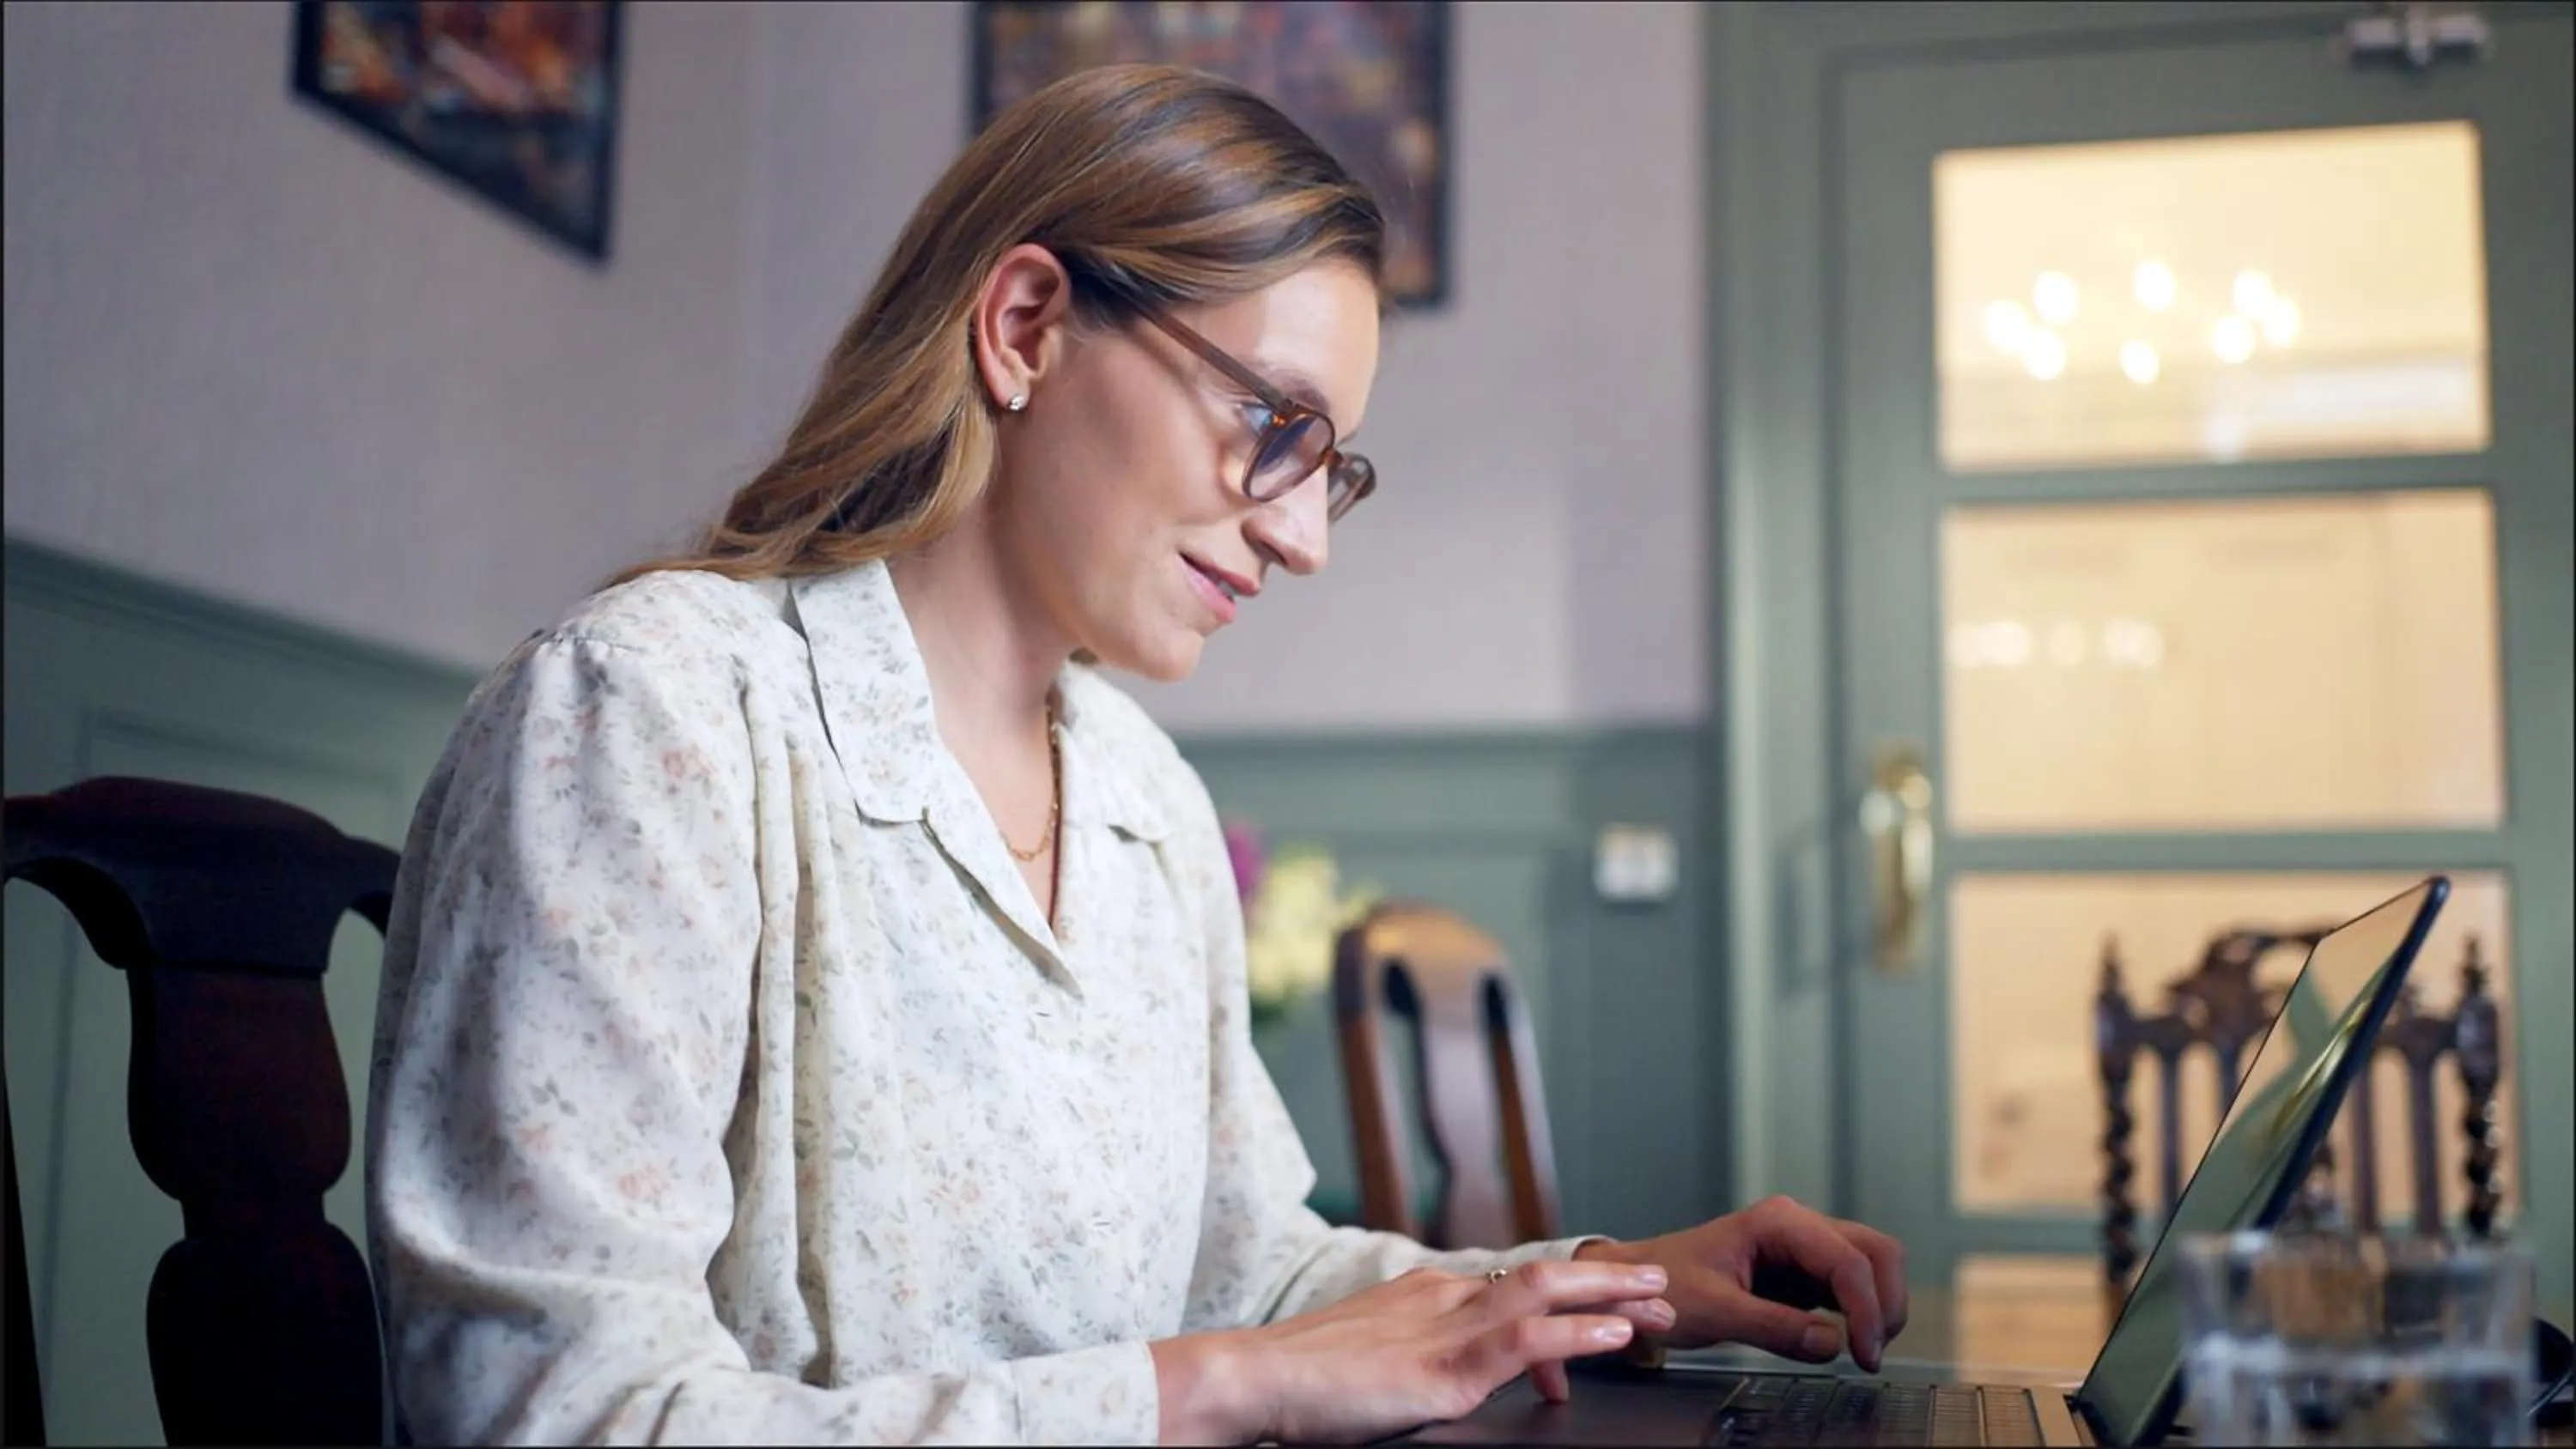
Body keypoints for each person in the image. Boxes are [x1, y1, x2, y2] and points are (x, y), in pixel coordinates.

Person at [365, 63, 1909, 1447]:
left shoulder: (1144, 800)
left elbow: (1251, 1264)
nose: (1304, 538)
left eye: (1333, 467)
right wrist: (1214, 1389)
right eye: (1272, 424)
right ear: (1026, 325)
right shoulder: (646, 722)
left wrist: (1611, 1285)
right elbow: (550, 1412)